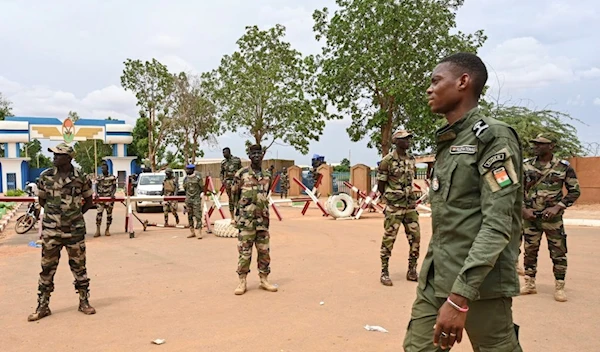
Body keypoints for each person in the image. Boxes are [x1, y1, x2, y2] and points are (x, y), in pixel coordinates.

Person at [403, 53, 523, 351]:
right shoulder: (451, 140)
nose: (429, 89)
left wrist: (459, 297)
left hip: (478, 286)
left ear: (463, 82)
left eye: (435, 81)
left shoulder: (493, 138)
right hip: (437, 277)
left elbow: (498, 224)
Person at [28, 143, 96, 322]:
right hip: (51, 232)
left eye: (58, 155)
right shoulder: (46, 176)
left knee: (80, 267)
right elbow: (42, 201)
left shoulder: (81, 177)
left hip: (75, 232)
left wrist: (73, 217)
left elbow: (89, 201)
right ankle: (43, 306)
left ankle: (84, 302)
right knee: (47, 269)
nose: (54, 157)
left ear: (69, 158)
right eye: (54, 154)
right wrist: (56, 218)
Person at [520, 133, 580, 302]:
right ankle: (530, 283)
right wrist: (523, 210)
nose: (536, 146)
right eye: (535, 143)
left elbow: (574, 191)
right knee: (530, 251)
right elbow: (516, 191)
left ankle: (559, 286)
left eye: (541, 144)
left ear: (551, 146)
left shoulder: (563, 167)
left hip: (552, 219)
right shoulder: (525, 166)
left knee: (558, 252)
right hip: (531, 218)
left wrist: (558, 207)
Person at [232, 144, 278, 295]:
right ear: (249, 156)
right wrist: (234, 217)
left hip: (262, 221)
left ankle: (264, 279)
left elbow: (266, 195)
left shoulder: (267, 175)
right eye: (254, 154)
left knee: (264, 252)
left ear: (262, 155)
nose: (257, 156)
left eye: (259, 153)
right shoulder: (241, 174)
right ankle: (242, 281)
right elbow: (234, 196)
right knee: (245, 253)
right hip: (246, 222)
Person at [377, 129, 421, 285]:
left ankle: (412, 270)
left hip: (410, 206)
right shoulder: (387, 161)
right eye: (404, 139)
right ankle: (384, 271)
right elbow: (381, 184)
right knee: (389, 239)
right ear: (396, 141)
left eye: (409, 139)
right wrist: (389, 199)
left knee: (415, 238)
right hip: (394, 207)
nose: (408, 141)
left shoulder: (411, 159)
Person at [94, 162, 117, 237]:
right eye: (102, 168)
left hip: (109, 198)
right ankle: (98, 230)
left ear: (107, 169)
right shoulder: (99, 177)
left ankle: (107, 229)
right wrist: (96, 194)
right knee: (99, 214)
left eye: (104, 168)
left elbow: (114, 187)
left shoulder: (112, 177)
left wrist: (113, 194)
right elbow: (96, 186)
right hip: (101, 198)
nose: (103, 170)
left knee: (109, 215)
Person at [220, 147, 243, 220]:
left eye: (225, 152)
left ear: (229, 152)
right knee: (230, 200)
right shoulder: (223, 162)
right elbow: (221, 173)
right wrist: (222, 181)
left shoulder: (236, 160)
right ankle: (232, 217)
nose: (224, 154)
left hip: (236, 182)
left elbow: (241, 170)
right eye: (223, 153)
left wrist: (241, 180)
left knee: (238, 198)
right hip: (228, 183)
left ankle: (239, 215)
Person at [183, 164, 204, 239]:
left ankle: (199, 232)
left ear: (192, 170)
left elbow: (202, 188)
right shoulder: (185, 179)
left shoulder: (198, 178)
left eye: (188, 169)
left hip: (196, 199)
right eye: (186, 169)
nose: (187, 171)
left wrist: (198, 195)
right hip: (188, 200)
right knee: (190, 216)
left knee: (198, 216)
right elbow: (185, 189)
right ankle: (192, 232)